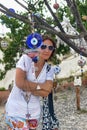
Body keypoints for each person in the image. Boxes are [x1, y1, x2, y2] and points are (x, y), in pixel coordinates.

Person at [5, 34, 59, 130]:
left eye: (50, 48)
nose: (47, 50)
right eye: (43, 46)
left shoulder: (49, 69)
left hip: (34, 113)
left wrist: (27, 86)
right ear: (37, 46)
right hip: (15, 110)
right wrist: (41, 86)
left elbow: (46, 92)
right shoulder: (26, 59)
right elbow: (19, 83)